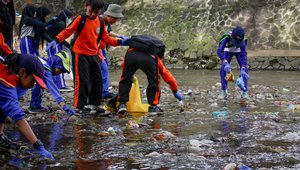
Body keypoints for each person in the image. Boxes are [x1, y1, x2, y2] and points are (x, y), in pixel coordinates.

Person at [47, 0, 130, 114]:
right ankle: (79, 106)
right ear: (86, 7)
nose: (93, 14)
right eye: (91, 11)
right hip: (80, 53)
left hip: (94, 53)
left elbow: (106, 39)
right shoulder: (81, 19)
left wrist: (122, 42)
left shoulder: (100, 21)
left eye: (96, 12)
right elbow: (68, 31)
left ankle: (94, 105)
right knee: (82, 80)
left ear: (100, 11)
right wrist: (56, 40)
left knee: (97, 80)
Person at [0, 42, 54, 159]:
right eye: (33, 81)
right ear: (22, 72)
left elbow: (3, 108)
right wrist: (38, 145)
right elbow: (19, 118)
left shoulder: (8, 71)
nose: (33, 85)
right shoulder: (6, 82)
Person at [117, 47, 183, 114]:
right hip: (148, 59)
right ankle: (153, 107)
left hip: (131, 55)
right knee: (154, 81)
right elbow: (168, 77)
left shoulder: (133, 48)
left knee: (125, 79)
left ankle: (122, 104)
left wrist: (128, 74)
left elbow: (123, 66)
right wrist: (175, 91)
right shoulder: (155, 57)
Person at [17, 51, 75, 117]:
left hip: (18, 68)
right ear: (55, 63)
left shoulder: (42, 62)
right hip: (18, 70)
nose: (60, 73)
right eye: (61, 69)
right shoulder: (46, 68)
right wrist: (62, 104)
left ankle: (34, 105)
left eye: (63, 72)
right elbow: (52, 87)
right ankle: (31, 106)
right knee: (20, 89)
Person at [98, 4, 125, 99]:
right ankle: (101, 93)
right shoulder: (98, 21)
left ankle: (103, 91)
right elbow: (106, 38)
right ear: (109, 15)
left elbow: (107, 34)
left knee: (104, 70)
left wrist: (120, 37)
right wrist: (121, 41)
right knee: (103, 70)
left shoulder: (105, 22)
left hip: (101, 49)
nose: (116, 21)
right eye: (115, 18)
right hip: (95, 50)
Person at [217, 26, 249, 99]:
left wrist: (243, 67)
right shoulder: (226, 37)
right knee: (223, 69)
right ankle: (224, 91)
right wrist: (225, 62)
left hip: (239, 52)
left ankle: (244, 92)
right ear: (231, 37)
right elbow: (219, 51)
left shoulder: (243, 40)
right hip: (227, 52)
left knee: (245, 70)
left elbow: (244, 54)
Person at [46, 9, 73, 90]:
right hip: (55, 44)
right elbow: (60, 38)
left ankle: (52, 83)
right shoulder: (61, 24)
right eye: (69, 17)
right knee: (59, 63)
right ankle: (60, 85)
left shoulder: (55, 22)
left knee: (51, 64)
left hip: (49, 43)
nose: (69, 19)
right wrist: (70, 46)